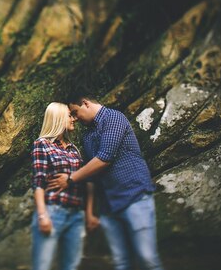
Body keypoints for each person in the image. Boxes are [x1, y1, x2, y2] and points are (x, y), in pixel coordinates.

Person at [47, 96, 164, 270]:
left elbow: (104, 158)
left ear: (86, 103)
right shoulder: (87, 136)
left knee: (147, 258)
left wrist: (70, 179)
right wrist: (90, 212)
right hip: (108, 208)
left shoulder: (114, 118)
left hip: (134, 197)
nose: (75, 118)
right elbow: (91, 176)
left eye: (75, 112)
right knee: (121, 262)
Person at [31, 102, 97, 270]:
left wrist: (88, 213)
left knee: (71, 266)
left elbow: (87, 181)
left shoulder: (74, 149)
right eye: (69, 115)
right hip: (53, 211)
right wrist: (42, 215)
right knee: (42, 266)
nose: (73, 118)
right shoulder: (42, 144)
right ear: (58, 118)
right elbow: (38, 182)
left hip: (76, 215)